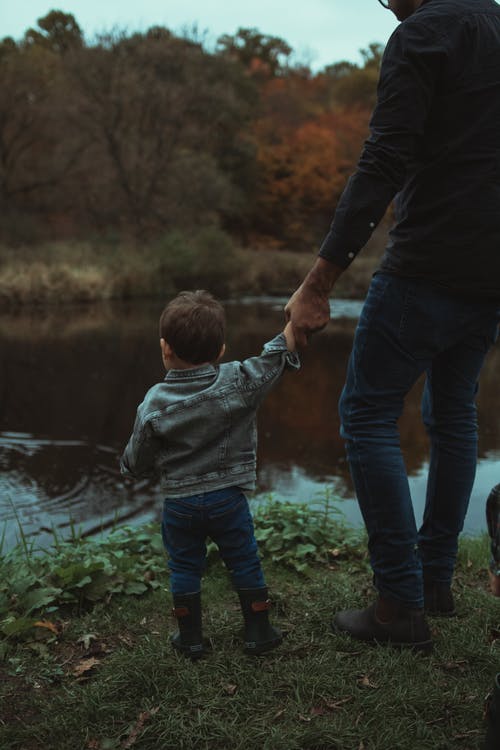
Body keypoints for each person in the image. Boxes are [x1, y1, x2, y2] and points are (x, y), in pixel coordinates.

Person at [285, 0, 500, 652]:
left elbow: (382, 159)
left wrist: (317, 282)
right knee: (454, 412)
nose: (388, 5)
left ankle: (398, 606)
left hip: (426, 266)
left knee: (367, 413)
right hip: (491, 274)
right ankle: (434, 580)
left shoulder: (421, 35)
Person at [120, 290, 300, 659]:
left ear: (165, 348)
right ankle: (259, 632)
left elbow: (136, 461)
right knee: (244, 560)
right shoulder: (239, 380)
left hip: (180, 505)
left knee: (184, 566)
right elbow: (275, 358)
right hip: (227, 500)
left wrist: (130, 468)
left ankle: (190, 640)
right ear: (221, 350)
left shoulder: (153, 402)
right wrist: (295, 321)